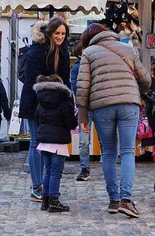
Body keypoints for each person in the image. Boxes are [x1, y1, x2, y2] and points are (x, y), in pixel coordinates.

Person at [76, 23, 151, 218]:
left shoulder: (89, 53)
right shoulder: (126, 48)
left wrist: (82, 115)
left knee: (108, 152)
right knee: (127, 152)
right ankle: (126, 200)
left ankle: (114, 200)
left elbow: (82, 87)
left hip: (102, 106)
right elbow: (146, 80)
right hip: (128, 103)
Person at [20, 17, 71, 201]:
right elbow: (33, 79)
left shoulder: (63, 53)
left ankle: (46, 184)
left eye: (63, 34)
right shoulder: (36, 52)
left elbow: (65, 80)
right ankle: (36, 186)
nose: (60, 36)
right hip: (34, 102)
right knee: (36, 143)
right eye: (57, 33)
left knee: (49, 144)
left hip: (54, 104)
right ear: (49, 33)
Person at [34, 74, 78, 212]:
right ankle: (54, 200)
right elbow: (70, 123)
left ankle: (45, 200)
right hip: (58, 142)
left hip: (44, 141)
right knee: (56, 172)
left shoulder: (41, 102)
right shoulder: (65, 103)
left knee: (47, 170)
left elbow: (37, 119)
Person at [71, 41, 91, 182]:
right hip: (84, 106)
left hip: (95, 104)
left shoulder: (94, 63)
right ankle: (85, 168)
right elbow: (75, 88)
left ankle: (107, 164)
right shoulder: (76, 68)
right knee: (84, 140)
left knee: (103, 139)